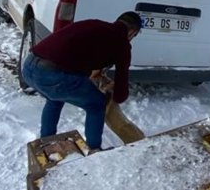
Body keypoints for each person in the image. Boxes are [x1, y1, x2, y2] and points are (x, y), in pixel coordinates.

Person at [21, 11, 142, 150]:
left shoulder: (95, 24)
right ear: (132, 32)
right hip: (52, 75)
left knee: (55, 97)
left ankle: (46, 140)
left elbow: (75, 52)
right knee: (97, 104)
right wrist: (113, 92)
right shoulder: (122, 43)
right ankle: (94, 149)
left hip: (29, 67)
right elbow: (120, 94)